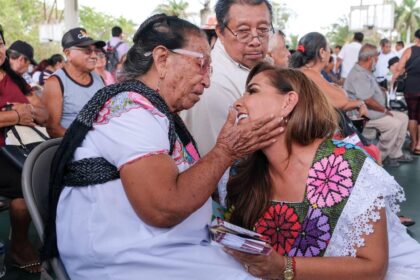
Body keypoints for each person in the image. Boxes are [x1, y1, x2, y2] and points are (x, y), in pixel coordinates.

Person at [41, 14, 284, 280]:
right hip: (125, 258)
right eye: (201, 64)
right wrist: (226, 150)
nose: (207, 81)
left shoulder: (153, 110)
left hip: (159, 248)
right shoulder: (130, 111)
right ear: (162, 59)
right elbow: (163, 208)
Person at [221, 62, 420, 280]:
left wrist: (283, 266)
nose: (237, 103)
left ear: (288, 102)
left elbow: (373, 270)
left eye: (252, 91)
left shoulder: (346, 164)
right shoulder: (238, 171)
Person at [183, 0, 273, 155]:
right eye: (243, 31)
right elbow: (216, 163)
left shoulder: (255, 68)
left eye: (263, 29)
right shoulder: (213, 84)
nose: (256, 41)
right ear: (220, 32)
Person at [0, 25, 48, 273]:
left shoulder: (17, 80)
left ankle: (19, 244)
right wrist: (13, 115)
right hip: (5, 153)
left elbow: (44, 113)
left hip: (19, 149)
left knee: (30, 183)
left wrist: (27, 112)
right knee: (24, 184)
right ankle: (19, 245)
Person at [344, 43, 412, 167]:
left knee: (403, 118)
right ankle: (380, 156)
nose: (378, 59)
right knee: (394, 124)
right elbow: (368, 100)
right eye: (376, 57)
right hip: (363, 114)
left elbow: (368, 89)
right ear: (370, 59)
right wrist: (384, 110)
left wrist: (380, 89)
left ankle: (395, 154)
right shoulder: (358, 74)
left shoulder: (366, 71)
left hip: (374, 111)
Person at [41, 27, 105, 138]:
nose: (94, 56)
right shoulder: (55, 83)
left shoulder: (98, 79)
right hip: (75, 148)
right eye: (87, 51)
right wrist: (90, 141)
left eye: (95, 51)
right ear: (68, 53)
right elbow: (53, 129)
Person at [393, 29, 420, 154]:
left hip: (411, 86)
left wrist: (394, 77)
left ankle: (413, 142)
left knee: (412, 115)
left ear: (416, 38)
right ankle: (419, 145)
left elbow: (399, 67)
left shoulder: (409, 50)